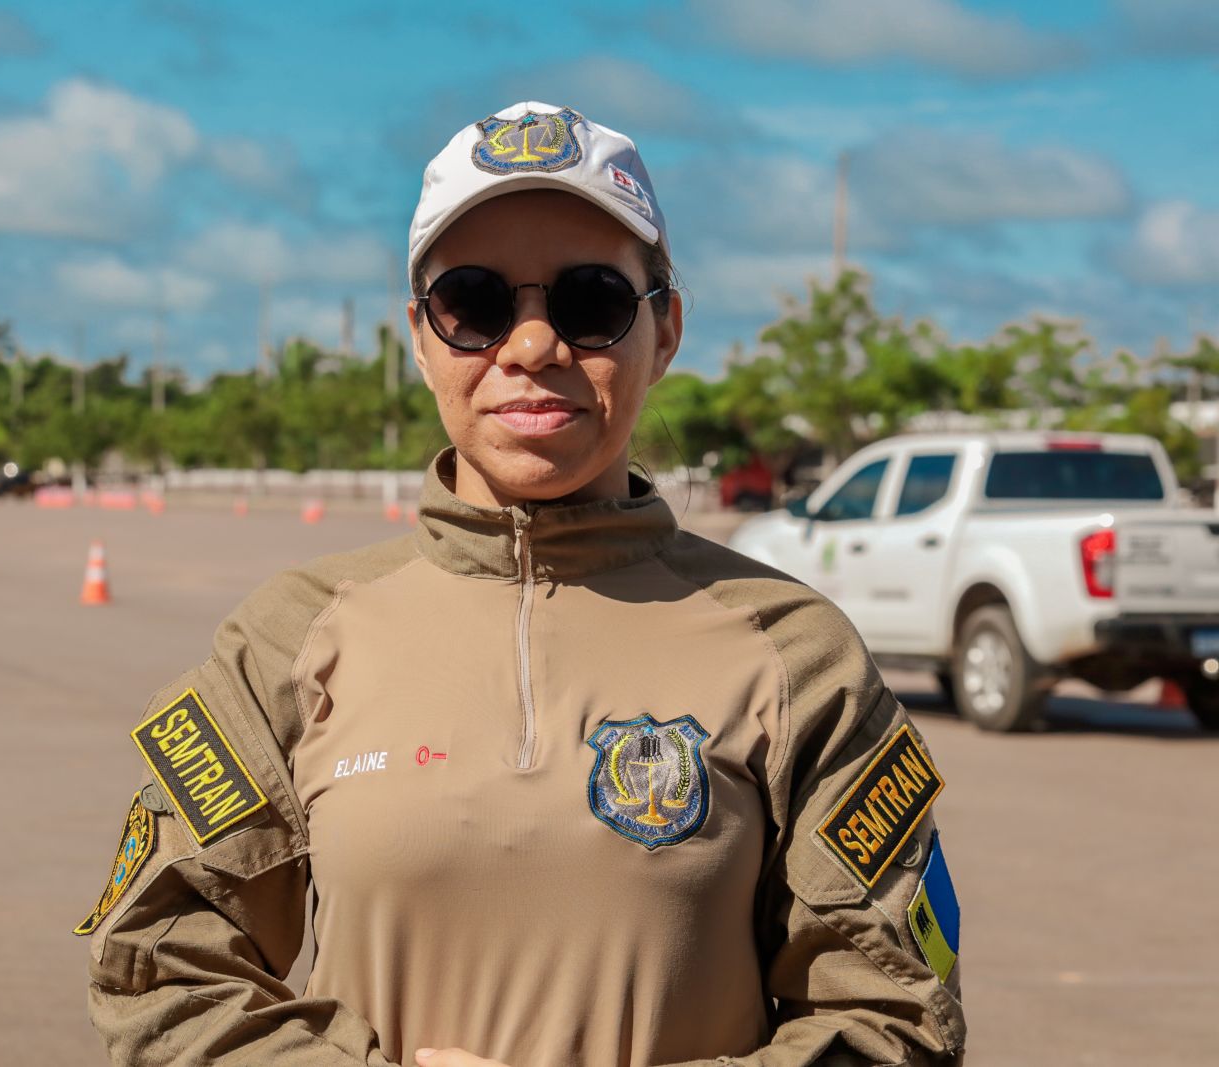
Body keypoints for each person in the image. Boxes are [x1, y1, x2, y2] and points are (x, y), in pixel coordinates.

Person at [77, 101, 967, 1066]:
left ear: (663, 330)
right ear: (420, 339)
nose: (534, 347)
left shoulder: (797, 653)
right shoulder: (288, 642)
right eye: (475, 303)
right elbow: (157, 967)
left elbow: (892, 1016)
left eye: (591, 303)